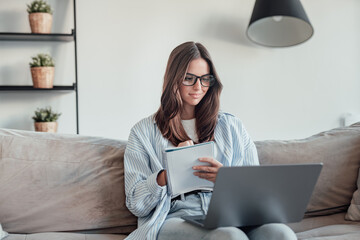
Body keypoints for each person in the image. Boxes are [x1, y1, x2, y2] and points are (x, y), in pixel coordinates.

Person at [124, 41, 297, 240]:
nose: (199, 87)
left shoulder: (232, 127)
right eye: (189, 78)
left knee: (281, 233)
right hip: (175, 215)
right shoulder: (143, 132)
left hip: (230, 213)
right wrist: (167, 172)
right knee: (230, 237)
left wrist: (226, 179)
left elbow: (256, 191)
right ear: (174, 79)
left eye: (205, 79)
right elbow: (136, 203)